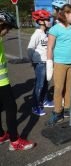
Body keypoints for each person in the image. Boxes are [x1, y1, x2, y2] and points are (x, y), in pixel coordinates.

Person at [0, 10, 35, 151]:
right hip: (1, 82)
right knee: (11, 108)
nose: (8, 31)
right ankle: (14, 141)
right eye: (7, 28)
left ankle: (1, 135)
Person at [46, 4, 71, 126]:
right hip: (59, 63)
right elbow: (50, 47)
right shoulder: (55, 29)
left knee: (70, 88)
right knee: (58, 88)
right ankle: (57, 112)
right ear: (66, 14)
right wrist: (49, 62)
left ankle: (67, 109)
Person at [28, 10, 52, 116]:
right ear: (41, 21)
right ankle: (35, 106)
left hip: (46, 62)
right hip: (40, 63)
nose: (49, 21)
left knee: (46, 83)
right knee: (39, 85)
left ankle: (45, 101)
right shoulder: (36, 34)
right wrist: (34, 60)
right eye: (47, 19)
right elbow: (30, 49)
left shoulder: (46, 33)